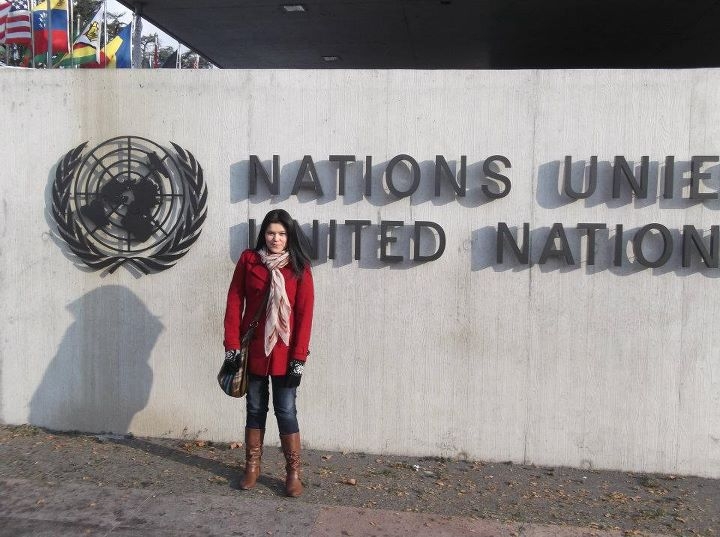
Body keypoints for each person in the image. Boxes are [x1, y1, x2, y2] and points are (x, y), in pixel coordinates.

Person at [223, 209, 314, 497]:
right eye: (271, 233)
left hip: (285, 354)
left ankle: (293, 473)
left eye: (282, 234)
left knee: (286, 410)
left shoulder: (299, 266)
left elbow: (305, 314)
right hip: (254, 352)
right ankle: (252, 467)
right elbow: (234, 300)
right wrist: (231, 346)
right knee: (255, 407)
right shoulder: (249, 260)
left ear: (289, 236)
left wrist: (299, 359)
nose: (276, 238)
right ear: (263, 234)